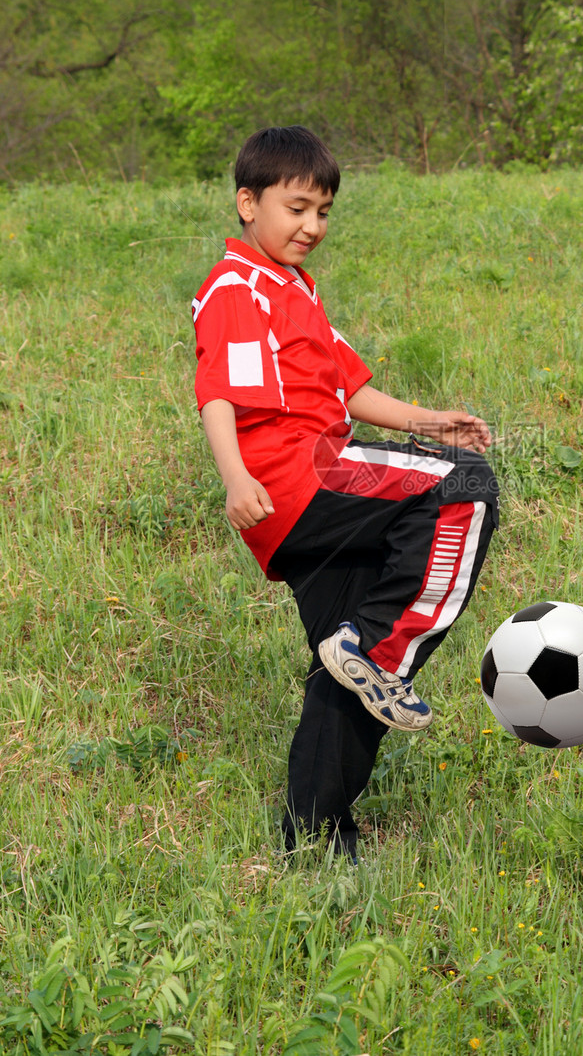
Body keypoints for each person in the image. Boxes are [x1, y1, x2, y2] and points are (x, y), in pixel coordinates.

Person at [192, 126, 498, 858]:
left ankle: (317, 845)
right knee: (467, 484)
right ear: (247, 202)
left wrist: (430, 420)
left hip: (308, 505)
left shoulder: (295, 287)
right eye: (296, 208)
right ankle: (382, 646)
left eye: (323, 212)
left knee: (344, 674)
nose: (311, 226)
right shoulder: (237, 287)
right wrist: (235, 477)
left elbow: (348, 385)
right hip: (300, 476)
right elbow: (218, 395)